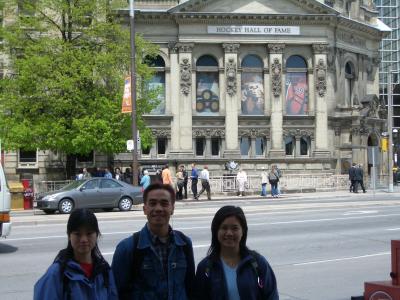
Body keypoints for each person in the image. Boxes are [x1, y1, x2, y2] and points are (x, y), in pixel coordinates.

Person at [112, 183, 195, 299]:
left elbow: (190, 287)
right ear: (145, 209)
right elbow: (116, 292)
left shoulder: (184, 244)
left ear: (172, 209)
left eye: (164, 203)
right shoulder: (127, 248)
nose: (158, 208)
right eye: (152, 203)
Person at [194, 205, 279, 300]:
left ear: (243, 231)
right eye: (224, 228)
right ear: (216, 231)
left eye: (235, 228)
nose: (229, 233)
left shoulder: (257, 263)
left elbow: (271, 296)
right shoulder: (205, 268)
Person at [34, 208, 118, 299]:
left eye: (89, 233)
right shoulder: (56, 275)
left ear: (97, 235)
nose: (84, 240)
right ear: (69, 235)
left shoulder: (104, 271)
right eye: (78, 234)